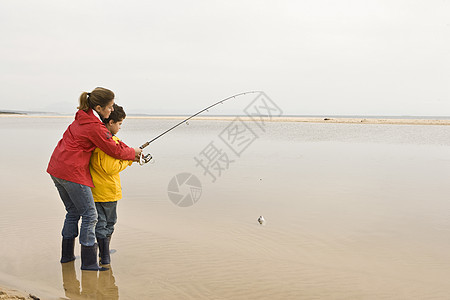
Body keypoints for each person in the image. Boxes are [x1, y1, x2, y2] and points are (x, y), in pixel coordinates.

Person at [47, 87, 142, 271]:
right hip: (70, 172)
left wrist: (128, 151)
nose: (112, 110)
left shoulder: (82, 117)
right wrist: (133, 154)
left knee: (73, 213)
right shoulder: (93, 126)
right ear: (99, 108)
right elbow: (113, 149)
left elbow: (111, 141)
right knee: (90, 216)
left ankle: (67, 257)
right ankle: (89, 262)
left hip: (56, 168)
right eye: (110, 106)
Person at [89, 104, 132, 265]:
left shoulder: (99, 140)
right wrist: (128, 161)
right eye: (119, 124)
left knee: (101, 224)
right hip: (107, 191)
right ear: (111, 122)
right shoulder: (107, 143)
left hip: (96, 190)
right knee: (108, 224)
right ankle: (105, 256)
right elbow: (110, 168)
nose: (120, 127)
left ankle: (103, 253)